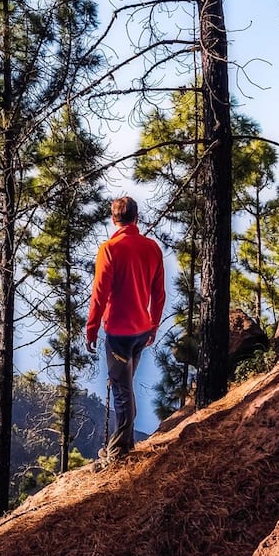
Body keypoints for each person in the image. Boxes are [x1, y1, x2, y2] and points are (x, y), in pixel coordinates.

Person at [84, 195, 165, 464]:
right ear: (136, 218)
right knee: (125, 385)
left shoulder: (110, 249)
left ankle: (119, 451)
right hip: (142, 330)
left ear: (113, 219)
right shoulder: (152, 248)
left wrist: (91, 329)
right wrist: (154, 324)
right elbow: (159, 293)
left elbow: (99, 294)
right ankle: (125, 443)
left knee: (121, 390)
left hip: (118, 333)